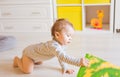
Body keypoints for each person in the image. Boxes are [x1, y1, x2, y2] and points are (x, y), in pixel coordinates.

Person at [13, 18, 89, 74]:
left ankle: (33, 61)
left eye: (71, 36)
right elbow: (63, 57)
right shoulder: (53, 46)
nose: (70, 38)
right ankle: (17, 60)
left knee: (40, 63)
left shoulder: (62, 45)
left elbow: (61, 57)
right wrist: (78, 62)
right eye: (68, 35)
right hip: (29, 54)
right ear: (57, 35)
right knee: (28, 71)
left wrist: (65, 67)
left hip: (36, 54)